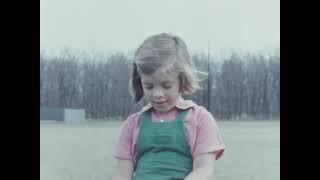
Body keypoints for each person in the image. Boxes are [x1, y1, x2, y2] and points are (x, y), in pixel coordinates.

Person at [112, 33, 225, 180]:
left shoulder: (200, 120)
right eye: (149, 86)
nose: (157, 94)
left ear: (182, 79)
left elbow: (204, 169)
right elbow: (122, 174)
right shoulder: (132, 125)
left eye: (166, 85)